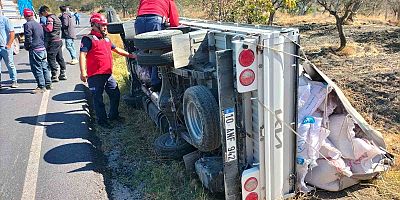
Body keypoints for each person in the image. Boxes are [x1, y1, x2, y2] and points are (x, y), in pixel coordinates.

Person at [79, 13, 136, 128]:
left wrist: (131, 55)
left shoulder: (106, 39)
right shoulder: (88, 39)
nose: (105, 27)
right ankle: (102, 121)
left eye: (105, 25)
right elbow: (82, 55)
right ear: (94, 25)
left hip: (107, 74)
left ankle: (113, 116)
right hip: (95, 75)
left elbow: (117, 50)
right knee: (98, 99)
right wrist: (83, 72)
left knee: (115, 94)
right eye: (102, 25)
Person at [135, 0, 180, 92]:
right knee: (156, 51)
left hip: (139, 21)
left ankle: (146, 78)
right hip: (154, 20)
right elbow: (174, 22)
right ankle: (155, 83)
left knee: (144, 51)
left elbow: (140, 11)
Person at [23, 8, 52, 94]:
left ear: (25, 16)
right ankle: (48, 84)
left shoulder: (28, 25)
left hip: (35, 49)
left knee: (37, 68)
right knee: (44, 67)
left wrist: (27, 46)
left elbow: (28, 38)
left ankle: (41, 86)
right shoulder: (38, 24)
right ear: (32, 15)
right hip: (42, 48)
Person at [38, 5, 67, 82]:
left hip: (53, 41)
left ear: (45, 11)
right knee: (59, 57)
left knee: (51, 58)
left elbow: (49, 29)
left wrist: (42, 26)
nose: (42, 15)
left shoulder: (50, 18)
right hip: (58, 39)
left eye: (42, 13)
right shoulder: (57, 17)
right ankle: (63, 73)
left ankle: (54, 75)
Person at [0, 10, 18, 89]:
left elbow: (12, 32)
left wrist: (9, 44)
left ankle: (14, 80)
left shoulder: (5, 20)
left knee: (10, 64)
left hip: (5, 47)